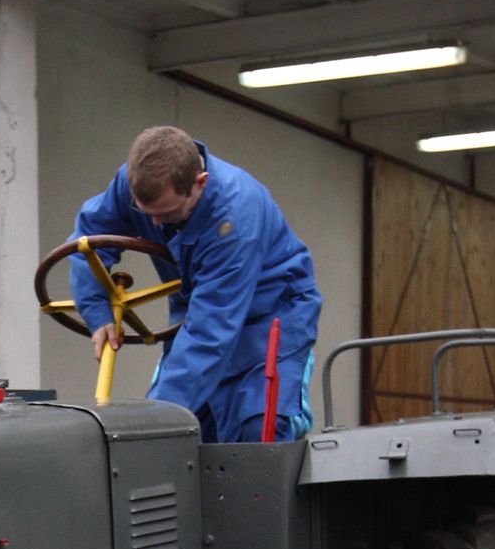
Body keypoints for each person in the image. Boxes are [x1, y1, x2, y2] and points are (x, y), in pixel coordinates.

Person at [72, 125, 323, 443]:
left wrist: (153, 425)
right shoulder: (132, 184)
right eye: (143, 212)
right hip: (198, 313)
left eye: (167, 214)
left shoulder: (234, 217)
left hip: (269, 318)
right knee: (185, 434)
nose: (155, 224)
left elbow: (210, 332)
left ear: (199, 183)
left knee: (258, 430)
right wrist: (96, 309)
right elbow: (88, 239)